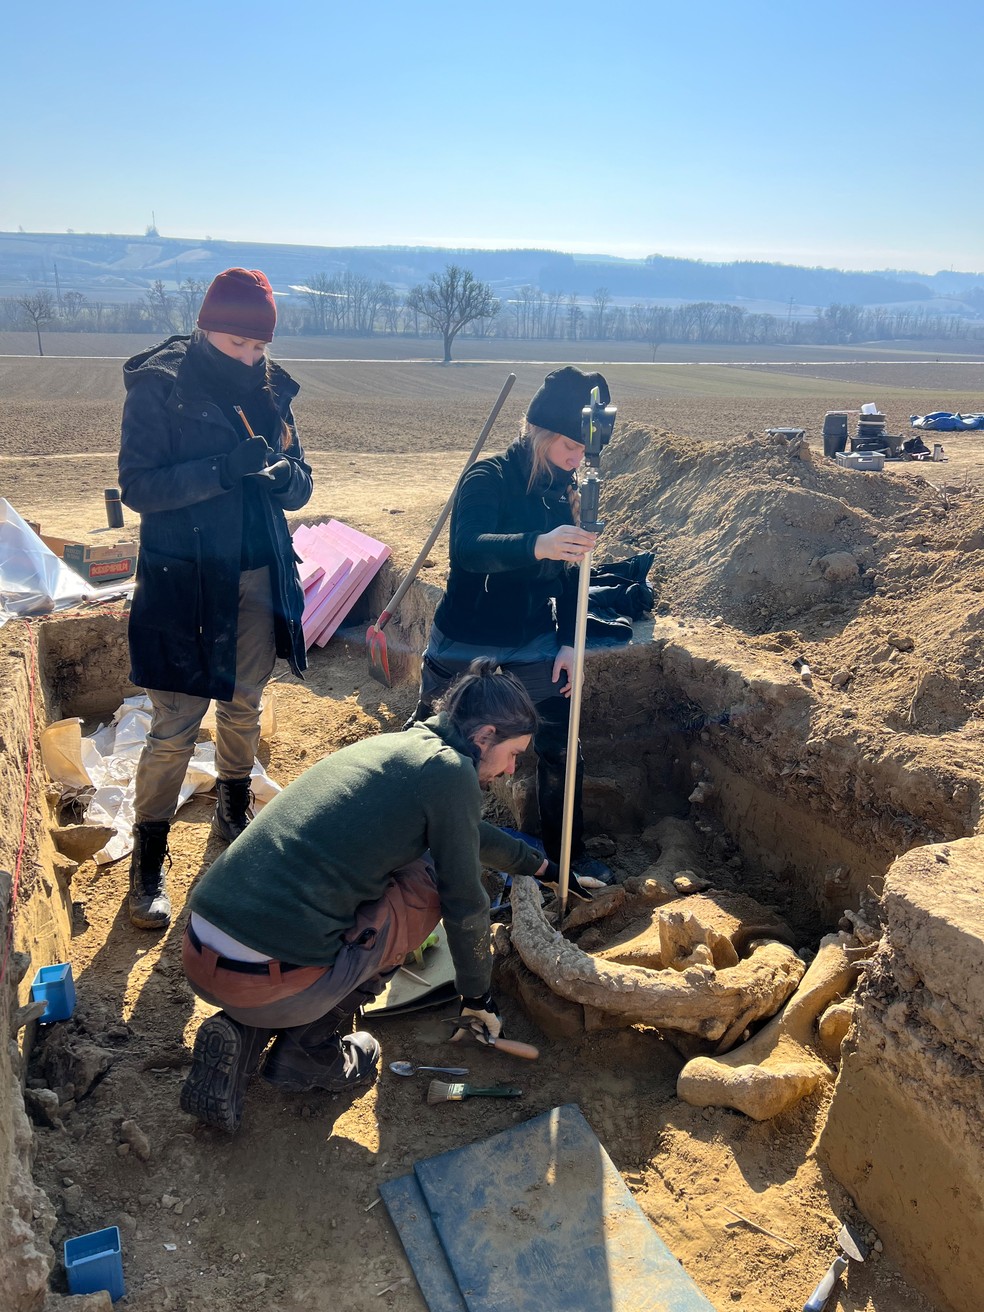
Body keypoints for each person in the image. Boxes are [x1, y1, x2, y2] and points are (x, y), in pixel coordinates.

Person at [178, 660, 554, 1133]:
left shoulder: (406, 745)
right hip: (271, 979)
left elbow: (466, 831)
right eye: (513, 754)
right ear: (484, 736)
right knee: (426, 885)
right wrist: (477, 994)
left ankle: (246, 1030)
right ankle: (308, 1050)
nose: (511, 768)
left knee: (376, 881)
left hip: (201, 951)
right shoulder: (452, 773)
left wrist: (536, 864)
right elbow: (466, 902)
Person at [118, 268, 312, 932]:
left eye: (258, 347)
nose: (250, 359)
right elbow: (139, 486)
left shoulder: (272, 392)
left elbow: (303, 481)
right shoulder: (160, 388)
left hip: (256, 574)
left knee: (245, 700)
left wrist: (286, 477)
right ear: (205, 329)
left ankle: (234, 806)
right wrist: (219, 472)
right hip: (184, 581)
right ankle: (148, 863)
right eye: (237, 344)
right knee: (174, 727)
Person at [406, 365, 614, 883]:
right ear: (540, 432)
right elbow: (467, 550)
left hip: (534, 643)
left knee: (563, 748)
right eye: (568, 445)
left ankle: (565, 856)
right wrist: (535, 545)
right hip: (467, 642)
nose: (576, 458)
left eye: (583, 450)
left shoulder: (564, 491)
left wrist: (569, 643)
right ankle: (410, 850)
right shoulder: (488, 477)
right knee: (441, 748)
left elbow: (571, 579)